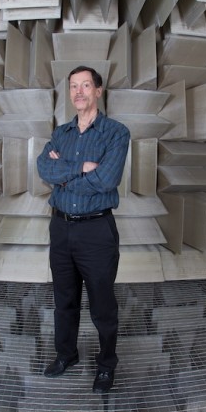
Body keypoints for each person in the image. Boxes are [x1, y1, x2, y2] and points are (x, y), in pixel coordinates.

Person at [36, 65, 130, 394]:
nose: (79, 92)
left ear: (98, 91)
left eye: (85, 85)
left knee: (102, 305)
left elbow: (107, 180)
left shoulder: (116, 132)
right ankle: (67, 355)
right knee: (64, 300)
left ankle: (106, 366)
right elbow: (43, 168)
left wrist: (64, 173)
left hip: (96, 231)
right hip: (61, 229)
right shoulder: (60, 133)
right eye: (74, 86)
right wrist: (80, 167)